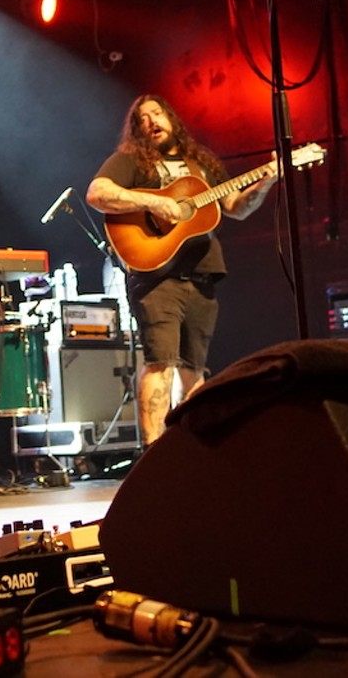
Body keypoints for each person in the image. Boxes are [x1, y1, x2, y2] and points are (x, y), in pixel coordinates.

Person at [85, 94, 277, 446]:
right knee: (161, 362)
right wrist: (155, 200)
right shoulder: (131, 161)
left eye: (157, 114)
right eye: (142, 119)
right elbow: (98, 193)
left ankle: (191, 451)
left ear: (172, 119)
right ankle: (155, 455)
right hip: (157, 276)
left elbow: (235, 208)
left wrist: (267, 180)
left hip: (202, 274)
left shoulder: (199, 163)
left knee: (194, 370)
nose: (151, 122)